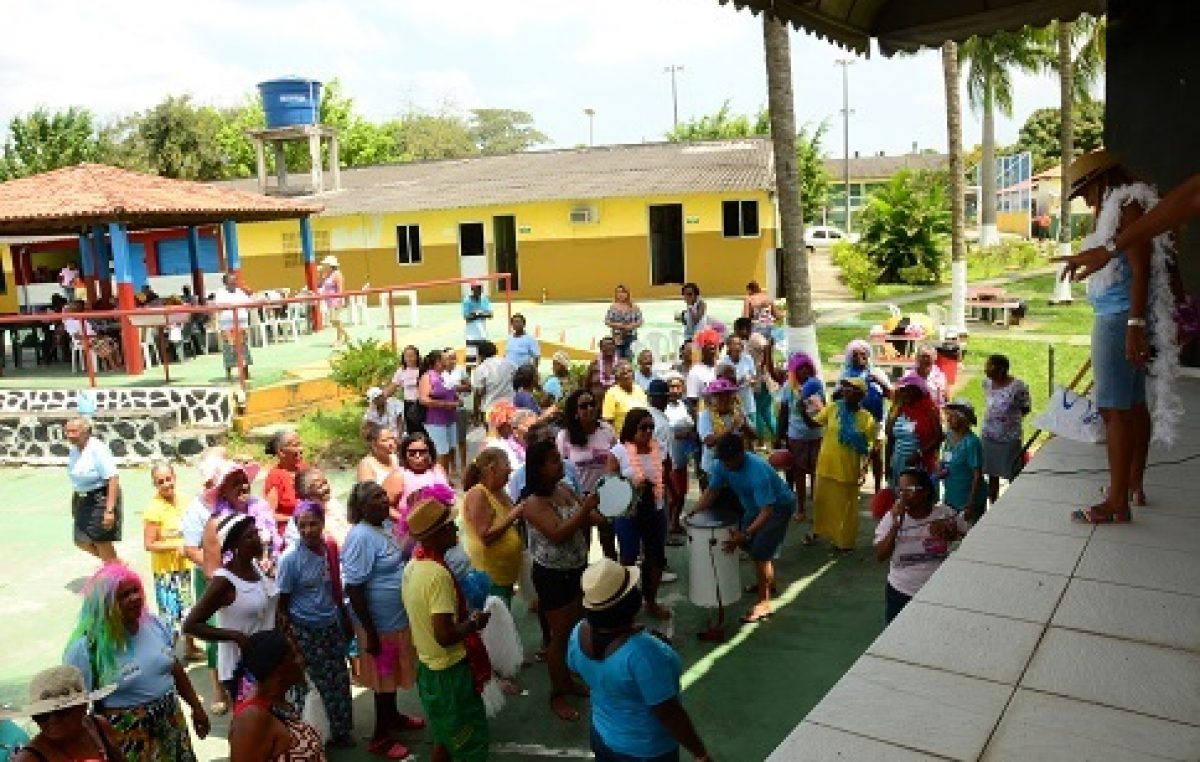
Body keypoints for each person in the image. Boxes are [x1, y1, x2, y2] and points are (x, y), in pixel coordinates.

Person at [1059, 151, 1169, 523]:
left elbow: (1141, 271)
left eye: (1086, 191)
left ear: (1101, 181)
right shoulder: (1123, 207)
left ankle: (1117, 501)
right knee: (1133, 405)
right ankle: (1131, 485)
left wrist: (1134, 326)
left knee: (1115, 412)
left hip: (1118, 318)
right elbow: (1116, 257)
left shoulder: (1128, 207)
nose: (1086, 200)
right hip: (1122, 316)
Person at [568, 558, 712, 762]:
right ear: (630, 603)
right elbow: (668, 713)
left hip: (602, 734)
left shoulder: (578, 632)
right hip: (645, 750)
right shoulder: (643, 654)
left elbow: (575, 670)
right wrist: (700, 753)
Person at [63, 564, 207, 761]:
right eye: (123, 595)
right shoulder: (87, 648)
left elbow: (174, 667)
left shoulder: (155, 624)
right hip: (126, 734)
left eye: (135, 590)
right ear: (104, 604)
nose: (134, 598)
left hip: (171, 721)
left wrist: (196, 708)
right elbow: (75, 707)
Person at [402, 498, 492, 762]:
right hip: (450, 674)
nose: (455, 530)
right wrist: (474, 622)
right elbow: (444, 635)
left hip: (429, 670)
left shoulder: (413, 566)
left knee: (445, 735)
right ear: (436, 534)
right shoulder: (438, 576)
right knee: (469, 744)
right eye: (450, 526)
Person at [521, 440, 604, 721]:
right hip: (554, 577)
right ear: (540, 468)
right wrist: (585, 511)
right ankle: (557, 694)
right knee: (560, 637)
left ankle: (567, 681)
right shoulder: (532, 503)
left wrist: (612, 505)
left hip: (578, 569)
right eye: (554, 460)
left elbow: (591, 517)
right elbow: (558, 533)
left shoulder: (565, 490)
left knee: (575, 629)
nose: (561, 463)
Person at [341, 482, 424, 758]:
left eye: (382, 495)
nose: (382, 500)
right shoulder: (360, 536)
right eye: (375, 497)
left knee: (393, 677)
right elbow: (354, 588)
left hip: (396, 620)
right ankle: (380, 737)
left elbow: (401, 553)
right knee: (383, 681)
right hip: (379, 626)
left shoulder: (385, 525)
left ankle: (394, 717)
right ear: (362, 508)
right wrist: (371, 632)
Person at [687, 434, 794, 623]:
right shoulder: (720, 465)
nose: (727, 465)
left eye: (731, 460)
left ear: (742, 454)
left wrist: (745, 534)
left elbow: (767, 511)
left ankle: (764, 603)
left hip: (778, 507)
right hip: (753, 508)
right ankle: (768, 581)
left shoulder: (757, 472)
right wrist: (693, 512)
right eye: (724, 461)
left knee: (760, 551)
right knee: (749, 546)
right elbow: (712, 492)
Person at [275, 502, 355, 747]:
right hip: (305, 630)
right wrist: (290, 642)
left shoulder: (329, 546)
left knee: (339, 679)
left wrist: (344, 619)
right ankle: (314, 737)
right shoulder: (290, 559)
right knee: (314, 686)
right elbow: (282, 605)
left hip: (330, 625)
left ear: (322, 523)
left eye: (314, 524)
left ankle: (341, 731)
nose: (308, 530)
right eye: (302, 525)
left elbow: (334, 588)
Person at [184, 513, 279, 704]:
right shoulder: (224, 581)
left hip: (266, 660)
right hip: (241, 669)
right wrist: (235, 636)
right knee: (253, 723)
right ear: (235, 545)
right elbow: (191, 625)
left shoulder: (256, 568)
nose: (257, 541)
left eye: (256, 534)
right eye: (249, 537)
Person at [874, 468, 970, 622]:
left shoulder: (945, 514)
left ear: (925, 492)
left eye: (909, 489)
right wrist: (895, 526)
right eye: (900, 490)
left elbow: (968, 540)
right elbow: (880, 556)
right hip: (901, 591)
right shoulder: (893, 517)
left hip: (939, 589)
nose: (903, 495)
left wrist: (951, 533)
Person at [605, 408, 671, 620]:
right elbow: (609, 485)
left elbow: (665, 475)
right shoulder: (618, 452)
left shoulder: (659, 448)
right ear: (632, 428)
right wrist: (631, 485)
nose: (648, 431)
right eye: (643, 427)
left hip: (656, 510)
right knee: (628, 558)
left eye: (651, 427)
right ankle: (627, 604)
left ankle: (651, 601)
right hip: (629, 514)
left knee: (656, 559)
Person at [228, 630, 327, 762]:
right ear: (279, 669)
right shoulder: (252, 718)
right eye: (294, 656)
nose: (301, 660)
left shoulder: (280, 702)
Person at [802, 378, 877, 551]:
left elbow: (873, 447)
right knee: (822, 502)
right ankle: (819, 531)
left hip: (847, 469)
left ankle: (844, 541)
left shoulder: (867, 419)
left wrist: (865, 469)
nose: (845, 391)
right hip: (826, 465)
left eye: (851, 389)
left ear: (861, 395)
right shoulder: (834, 407)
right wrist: (804, 411)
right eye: (844, 387)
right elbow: (815, 423)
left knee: (845, 508)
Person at [12, 665, 124, 762]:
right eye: (42, 715)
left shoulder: (99, 726)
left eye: (61, 711)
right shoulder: (29, 758)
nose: (52, 720)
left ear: (83, 706)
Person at [556, 389, 619, 560]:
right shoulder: (565, 437)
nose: (590, 408)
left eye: (592, 404)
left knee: (610, 546)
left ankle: (613, 582)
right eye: (584, 406)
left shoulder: (606, 430)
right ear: (575, 412)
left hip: (605, 496)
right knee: (583, 547)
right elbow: (560, 472)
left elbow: (618, 458)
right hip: (579, 499)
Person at [141, 463, 197, 648]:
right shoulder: (153, 509)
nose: (166, 484)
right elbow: (149, 544)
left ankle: (190, 647)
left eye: (168, 479)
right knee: (171, 616)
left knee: (188, 610)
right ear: (155, 484)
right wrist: (177, 545)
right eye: (160, 482)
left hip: (184, 567)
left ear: (174, 477)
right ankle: (170, 655)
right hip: (166, 572)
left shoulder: (184, 500)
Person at [462, 448, 524, 605]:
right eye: (507, 464)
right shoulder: (478, 494)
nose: (510, 468)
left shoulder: (500, 490)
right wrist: (514, 514)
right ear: (492, 469)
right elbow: (486, 536)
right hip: (490, 576)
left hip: (505, 573)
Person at [199, 461, 281, 578]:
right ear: (223, 491)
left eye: (245, 481)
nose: (243, 486)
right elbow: (211, 573)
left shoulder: (262, 511)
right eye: (236, 483)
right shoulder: (215, 524)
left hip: (267, 585)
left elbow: (274, 550)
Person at [775, 352, 825, 521]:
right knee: (799, 472)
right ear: (794, 371)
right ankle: (801, 507)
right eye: (800, 369)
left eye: (807, 368)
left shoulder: (817, 387)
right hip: (796, 437)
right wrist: (779, 435)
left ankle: (818, 506)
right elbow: (783, 413)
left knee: (816, 472)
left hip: (816, 435)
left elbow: (823, 411)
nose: (804, 372)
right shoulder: (789, 388)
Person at [65, 416, 122, 562]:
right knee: (80, 540)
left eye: (74, 432)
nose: (70, 435)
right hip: (82, 498)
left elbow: (113, 478)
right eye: (68, 432)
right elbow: (77, 479)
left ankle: (117, 575)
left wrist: (109, 510)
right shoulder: (74, 450)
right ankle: (117, 565)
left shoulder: (97, 449)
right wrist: (75, 502)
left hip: (100, 498)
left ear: (86, 432)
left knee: (100, 540)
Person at [383, 431, 453, 548]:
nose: (417, 456)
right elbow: (384, 506)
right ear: (404, 454)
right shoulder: (398, 476)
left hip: (442, 531)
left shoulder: (438, 469)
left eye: (422, 452)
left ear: (430, 452)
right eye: (412, 453)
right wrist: (406, 520)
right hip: (412, 537)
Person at [840, 339, 891, 493]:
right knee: (854, 454)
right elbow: (837, 396)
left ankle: (877, 488)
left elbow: (890, 394)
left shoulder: (877, 372)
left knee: (876, 454)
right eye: (855, 355)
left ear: (868, 356)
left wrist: (878, 381)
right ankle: (853, 486)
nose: (859, 358)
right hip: (853, 420)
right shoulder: (845, 374)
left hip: (875, 420)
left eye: (863, 355)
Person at [980, 354, 1031, 505]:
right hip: (989, 437)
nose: (986, 369)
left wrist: (1008, 421)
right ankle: (993, 503)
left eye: (990, 366)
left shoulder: (1018, 386)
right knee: (991, 474)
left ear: (1002, 368)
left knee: (1013, 474)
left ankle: (1015, 504)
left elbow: (1025, 408)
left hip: (1009, 438)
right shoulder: (986, 383)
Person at [885, 373, 944, 488]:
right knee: (898, 495)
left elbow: (939, 437)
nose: (906, 393)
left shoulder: (930, 410)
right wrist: (887, 464)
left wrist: (919, 453)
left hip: (919, 462)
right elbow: (889, 434)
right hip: (898, 461)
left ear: (919, 391)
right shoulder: (899, 408)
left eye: (909, 390)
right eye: (903, 390)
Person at [696, 377, 754, 478]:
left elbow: (754, 436)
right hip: (714, 467)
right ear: (711, 399)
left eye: (727, 395)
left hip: (738, 466)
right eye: (719, 396)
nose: (724, 399)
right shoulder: (706, 415)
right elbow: (709, 441)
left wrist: (744, 426)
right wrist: (731, 427)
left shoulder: (738, 412)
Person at [939, 400, 987, 522]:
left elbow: (977, 476)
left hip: (967, 500)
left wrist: (970, 504)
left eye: (952, 416)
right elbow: (946, 458)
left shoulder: (971, 443)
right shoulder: (949, 435)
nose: (948, 419)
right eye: (948, 415)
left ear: (964, 420)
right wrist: (941, 468)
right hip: (951, 496)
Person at [419, 349, 463, 478]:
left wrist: (456, 399)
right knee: (441, 452)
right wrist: (446, 404)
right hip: (436, 421)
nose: (449, 361)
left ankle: (445, 477)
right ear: (438, 361)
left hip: (450, 418)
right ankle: (439, 480)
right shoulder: (427, 376)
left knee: (449, 450)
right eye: (445, 358)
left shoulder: (444, 375)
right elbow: (423, 399)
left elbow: (450, 392)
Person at [661, 373, 695, 537]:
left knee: (681, 493)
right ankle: (666, 527)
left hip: (682, 457)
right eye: (671, 387)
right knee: (671, 496)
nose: (674, 390)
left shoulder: (685, 405)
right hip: (669, 458)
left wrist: (690, 434)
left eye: (677, 386)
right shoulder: (663, 408)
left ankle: (675, 523)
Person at [210, 272, 254, 381]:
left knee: (243, 348)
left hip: (242, 325)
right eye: (231, 281)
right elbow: (220, 305)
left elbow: (249, 303)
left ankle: (245, 373)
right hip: (228, 326)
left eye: (235, 281)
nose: (234, 283)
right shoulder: (220, 293)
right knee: (229, 349)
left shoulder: (240, 292)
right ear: (226, 283)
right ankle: (229, 373)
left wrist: (250, 295)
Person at [440, 347, 474, 479]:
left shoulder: (460, 370)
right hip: (445, 409)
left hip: (459, 408)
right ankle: (453, 466)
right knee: (450, 439)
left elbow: (469, 387)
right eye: (449, 357)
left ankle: (464, 465)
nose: (452, 360)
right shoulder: (440, 373)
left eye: (454, 357)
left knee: (461, 438)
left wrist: (455, 388)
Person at [263, 429, 306, 531]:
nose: (301, 449)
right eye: (295, 445)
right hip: (290, 532)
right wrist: (294, 519)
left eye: (300, 444)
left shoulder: (304, 468)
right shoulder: (275, 477)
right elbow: (268, 515)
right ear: (281, 452)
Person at [471, 340, 516, 425]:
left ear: (480, 355)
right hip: (509, 407)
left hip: (491, 410)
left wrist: (475, 414)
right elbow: (516, 381)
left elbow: (478, 394)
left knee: (492, 436)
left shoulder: (481, 369)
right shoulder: (509, 364)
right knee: (508, 436)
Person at [717, 334, 757, 423]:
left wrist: (752, 381)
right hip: (732, 404)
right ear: (728, 346)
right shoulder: (723, 362)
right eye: (735, 344)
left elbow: (754, 376)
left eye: (739, 343)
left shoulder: (747, 358)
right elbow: (722, 386)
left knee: (752, 430)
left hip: (748, 402)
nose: (738, 346)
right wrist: (739, 382)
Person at [602, 360, 648, 434]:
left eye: (630, 371)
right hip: (622, 440)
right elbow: (607, 423)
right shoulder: (611, 393)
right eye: (623, 373)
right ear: (617, 377)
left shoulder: (639, 389)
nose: (627, 375)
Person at [389, 345, 425, 437]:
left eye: (412, 355)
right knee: (412, 432)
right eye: (407, 356)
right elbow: (392, 387)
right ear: (403, 358)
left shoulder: (423, 370)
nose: (409, 358)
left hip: (423, 404)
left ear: (417, 356)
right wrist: (380, 397)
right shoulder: (401, 371)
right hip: (409, 406)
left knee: (425, 432)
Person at [685, 330, 720, 415]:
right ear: (702, 348)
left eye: (714, 343)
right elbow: (692, 404)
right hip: (705, 418)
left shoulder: (722, 367)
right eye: (708, 343)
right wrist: (700, 425)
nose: (712, 346)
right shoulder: (695, 372)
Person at [318, 255, 350, 347]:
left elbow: (340, 289)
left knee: (334, 320)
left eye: (325, 265)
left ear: (330, 265)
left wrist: (339, 301)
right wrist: (320, 275)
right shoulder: (327, 275)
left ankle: (340, 339)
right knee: (334, 321)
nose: (323, 266)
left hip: (336, 301)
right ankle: (346, 336)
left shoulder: (337, 274)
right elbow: (320, 284)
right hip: (329, 301)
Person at [604, 285, 643, 360]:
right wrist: (618, 325)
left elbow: (640, 321)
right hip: (617, 338)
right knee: (618, 358)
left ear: (627, 294)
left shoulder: (634, 307)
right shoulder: (613, 307)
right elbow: (607, 321)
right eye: (618, 292)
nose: (620, 294)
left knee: (629, 357)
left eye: (623, 292)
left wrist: (631, 326)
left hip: (631, 337)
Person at [357, 421, 401, 487]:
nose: (391, 443)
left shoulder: (394, 457)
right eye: (384, 440)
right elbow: (367, 494)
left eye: (391, 438)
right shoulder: (366, 465)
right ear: (373, 444)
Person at [462, 281, 493, 368]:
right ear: (472, 289)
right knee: (470, 362)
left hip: (483, 336)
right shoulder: (467, 300)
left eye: (481, 288)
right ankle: (468, 380)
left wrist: (476, 314)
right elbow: (467, 317)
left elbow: (490, 315)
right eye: (477, 288)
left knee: (484, 361)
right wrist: (480, 314)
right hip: (471, 337)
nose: (480, 290)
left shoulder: (484, 299)